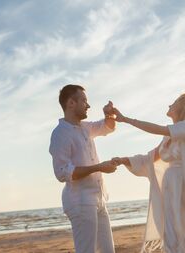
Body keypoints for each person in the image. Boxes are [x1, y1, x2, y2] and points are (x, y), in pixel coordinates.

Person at [112, 93, 185, 253]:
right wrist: (125, 160)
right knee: (171, 238)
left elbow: (157, 129)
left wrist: (126, 119)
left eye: (174, 102)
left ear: (184, 107)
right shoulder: (169, 136)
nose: (169, 105)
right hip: (171, 188)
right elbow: (151, 158)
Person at [49, 84, 117, 253]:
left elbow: (108, 127)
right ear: (71, 103)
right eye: (84, 101)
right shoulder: (60, 134)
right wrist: (99, 167)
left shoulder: (85, 128)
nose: (88, 105)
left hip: (99, 199)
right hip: (80, 201)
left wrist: (109, 113)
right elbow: (62, 172)